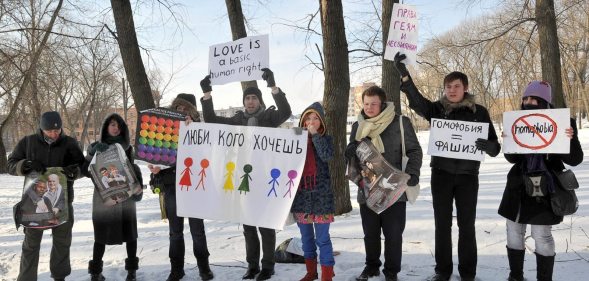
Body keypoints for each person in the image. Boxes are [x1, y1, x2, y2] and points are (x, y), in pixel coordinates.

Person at [394, 53, 501, 281]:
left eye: (456, 86)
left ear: (465, 88)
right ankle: (442, 271)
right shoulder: (437, 110)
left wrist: (489, 146)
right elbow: (417, 101)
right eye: (447, 87)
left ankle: (468, 273)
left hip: (468, 177)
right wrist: (405, 76)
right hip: (441, 176)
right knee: (442, 226)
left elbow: (495, 147)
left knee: (466, 226)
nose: (451, 90)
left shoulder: (479, 112)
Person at [199, 68, 292, 280]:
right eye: (247, 98)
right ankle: (252, 266)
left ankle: (268, 266)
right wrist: (207, 94)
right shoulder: (237, 120)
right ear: (244, 101)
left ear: (259, 100)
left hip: (266, 177)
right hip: (244, 179)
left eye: (254, 98)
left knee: (266, 225)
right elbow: (212, 119)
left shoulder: (269, 117)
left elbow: (286, 112)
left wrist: (273, 87)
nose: (250, 101)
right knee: (248, 225)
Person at [498, 81, 583, 281]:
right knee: (513, 232)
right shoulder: (517, 122)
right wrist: (508, 141)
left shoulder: (563, 123)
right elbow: (512, 159)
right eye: (526, 99)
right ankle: (516, 276)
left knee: (542, 236)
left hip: (546, 188)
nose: (528, 102)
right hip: (519, 185)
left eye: (534, 99)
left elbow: (575, 160)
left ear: (544, 101)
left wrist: (570, 139)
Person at [344, 86, 423, 281]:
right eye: (366, 104)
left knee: (393, 235)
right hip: (368, 188)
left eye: (374, 104)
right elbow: (354, 155)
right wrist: (350, 150)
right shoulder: (358, 125)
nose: (369, 108)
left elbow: (415, 151)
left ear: (383, 103)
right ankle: (372, 267)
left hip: (394, 188)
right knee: (370, 234)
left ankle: (391, 272)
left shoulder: (400, 122)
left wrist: (412, 173)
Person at [7, 111, 85, 281]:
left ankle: (59, 276)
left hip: (62, 203)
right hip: (33, 204)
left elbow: (83, 166)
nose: (54, 134)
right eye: (49, 131)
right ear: (41, 129)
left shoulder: (69, 143)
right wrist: (26, 164)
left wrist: (75, 171)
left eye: (57, 131)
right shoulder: (28, 142)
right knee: (31, 245)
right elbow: (11, 164)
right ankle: (26, 278)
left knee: (62, 243)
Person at [148, 93, 214, 281]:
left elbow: (209, 154)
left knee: (197, 230)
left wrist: (193, 128)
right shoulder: (163, 131)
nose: (182, 111)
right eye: (178, 108)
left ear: (192, 112)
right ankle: (176, 269)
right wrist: (154, 168)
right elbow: (154, 156)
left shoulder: (201, 131)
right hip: (171, 186)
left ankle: (204, 267)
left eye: (186, 109)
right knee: (175, 231)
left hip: (194, 188)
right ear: (173, 109)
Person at [82, 113, 144, 281]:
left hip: (126, 197)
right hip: (105, 198)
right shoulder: (96, 146)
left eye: (119, 125)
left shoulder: (128, 148)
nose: (116, 128)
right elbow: (84, 170)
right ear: (106, 127)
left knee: (130, 234)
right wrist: (92, 152)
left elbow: (132, 168)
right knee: (100, 235)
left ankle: (132, 272)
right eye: (113, 125)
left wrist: (138, 186)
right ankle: (95, 272)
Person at [290, 102, 335, 281]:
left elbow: (326, 155)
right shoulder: (294, 141)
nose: (311, 121)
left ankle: (326, 275)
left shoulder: (326, 139)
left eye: (315, 118)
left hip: (321, 198)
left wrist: (315, 136)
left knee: (323, 239)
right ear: (302, 121)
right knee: (306, 239)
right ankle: (311, 272)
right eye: (308, 118)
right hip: (301, 198)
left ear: (321, 122)